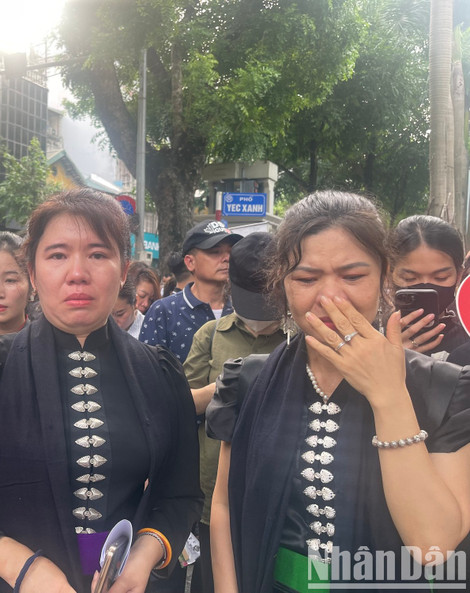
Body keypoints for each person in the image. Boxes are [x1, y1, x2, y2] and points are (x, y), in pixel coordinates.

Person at [0, 188, 202, 593]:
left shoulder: (158, 372)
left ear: (123, 271)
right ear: (33, 273)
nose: (78, 272)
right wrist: (27, 570)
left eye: (98, 254)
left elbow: (180, 495)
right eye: (57, 255)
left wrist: (143, 556)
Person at [208, 191, 470, 592]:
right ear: (282, 284)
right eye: (307, 278)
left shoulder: (445, 387)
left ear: (385, 278)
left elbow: (433, 546)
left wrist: (388, 394)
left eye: (353, 276)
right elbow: (225, 505)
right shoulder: (248, 381)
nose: (330, 298)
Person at [183, 232, 285, 593]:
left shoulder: (300, 341)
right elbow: (180, 402)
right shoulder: (212, 335)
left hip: (277, 490)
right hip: (214, 488)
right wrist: (224, 389)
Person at [140, 221, 241, 363]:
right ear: (190, 262)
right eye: (215, 252)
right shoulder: (164, 312)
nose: (226, 258)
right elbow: (147, 371)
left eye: (231, 251)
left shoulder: (242, 309)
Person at [389, 215, 468, 360]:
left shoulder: (466, 333)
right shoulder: (372, 331)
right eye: (409, 278)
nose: (426, 285)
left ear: (459, 275)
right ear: (389, 273)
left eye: (441, 278)